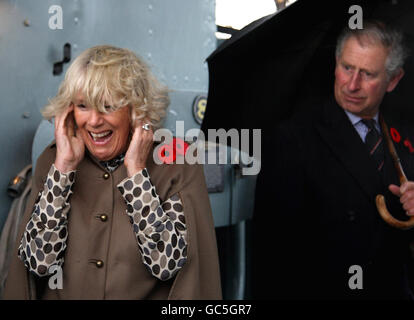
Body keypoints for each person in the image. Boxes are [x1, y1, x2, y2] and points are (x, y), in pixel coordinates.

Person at [3, 45, 222, 299]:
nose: (94, 121)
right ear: (69, 111)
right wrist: (62, 171)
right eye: (83, 106)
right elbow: (39, 264)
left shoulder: (177, 163)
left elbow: (167, 264)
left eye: (107, 106)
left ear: (136, 109)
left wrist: (137, 172)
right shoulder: (53, 161)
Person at [253, 20, 414, 299]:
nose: (352, 84)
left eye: (368, 74)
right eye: (347, 68)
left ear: (394, 79)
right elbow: (274, 252)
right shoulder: (293, 139)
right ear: (335, 62)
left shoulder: (406, 138)